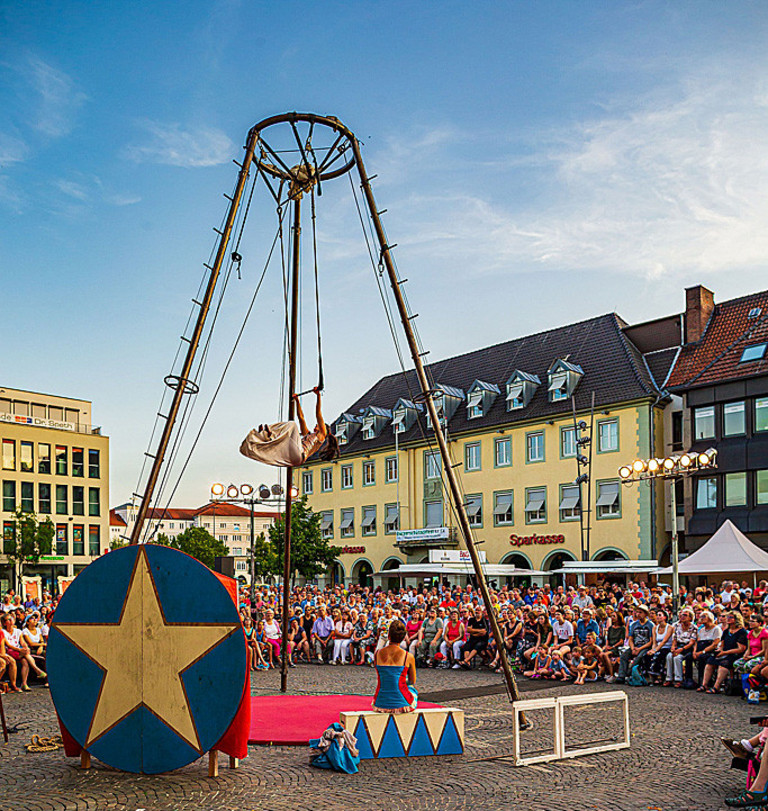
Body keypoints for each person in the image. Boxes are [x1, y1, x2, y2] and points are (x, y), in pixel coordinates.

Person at [239, 387, 338, 468]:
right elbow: (301, 417)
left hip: (300, 455)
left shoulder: (321, 436)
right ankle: (268, 436)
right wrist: (297, 401)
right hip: (294, 456)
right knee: (288, 434)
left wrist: (318, 396)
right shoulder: (307, 434)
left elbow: (318, 414)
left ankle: (271, 432)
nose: (316, 425)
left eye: (318, 425)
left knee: (292, 425)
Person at [372, 620, 418, 714]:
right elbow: (412, 681)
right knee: (412, 689)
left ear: (389, 636)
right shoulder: (408, 656)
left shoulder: (377, 654)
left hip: (380, 702)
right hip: (403, 703)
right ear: (403, 638)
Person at [698, 612, 748, 694]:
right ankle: (704, 684)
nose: (728, 618)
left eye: (731, 617)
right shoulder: (726, 631)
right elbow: (722, 644)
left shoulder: (741, 632)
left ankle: (716, 687)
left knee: (723, 665)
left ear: (736, 620)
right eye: (728, 617)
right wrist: (720, 650)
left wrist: (725, 652)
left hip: (735, 654)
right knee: (710, 662)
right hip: (725, 652)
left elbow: (741, 649)